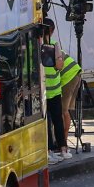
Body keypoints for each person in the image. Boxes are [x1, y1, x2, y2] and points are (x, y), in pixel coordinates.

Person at [38, 21, 73, 159]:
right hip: (55, 90)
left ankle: (48, 151)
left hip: (42, 90)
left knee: (46, 122)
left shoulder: (35, 45)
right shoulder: (53, 45)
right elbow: (60, 66)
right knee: (58, 120)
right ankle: (63, 149)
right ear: (51, 31)